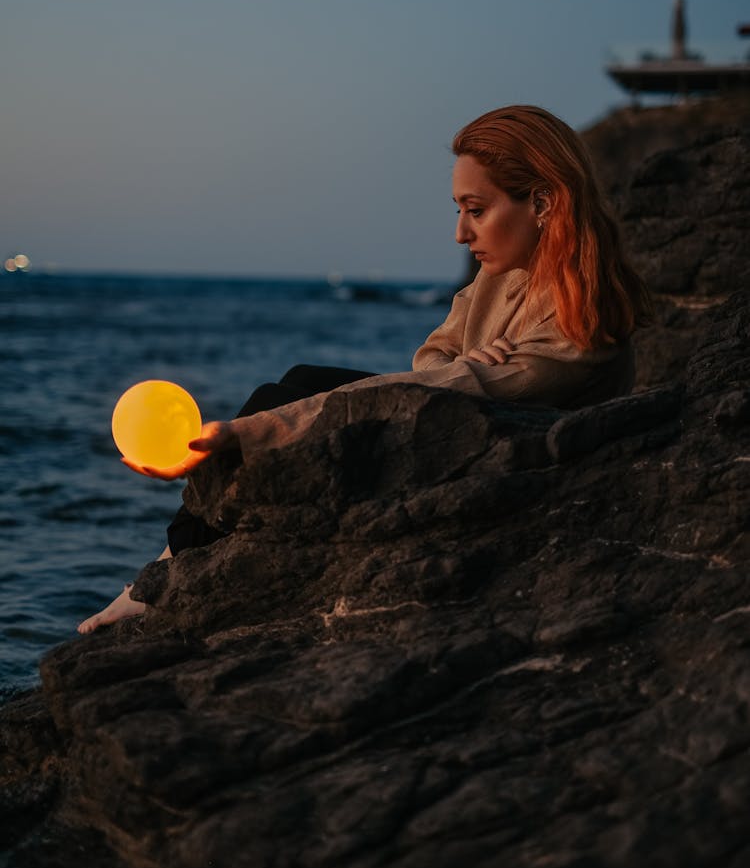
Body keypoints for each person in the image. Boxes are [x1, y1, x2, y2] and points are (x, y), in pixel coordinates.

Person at [78, 105, 651, 634]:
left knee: (284, 413)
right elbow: (432, 358)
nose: (460, 232)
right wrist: (465, 361)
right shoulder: (504, 273)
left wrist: (240, 433)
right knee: (297, 381)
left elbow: (455, 385)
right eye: (458, 210)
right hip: (461, 434)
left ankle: (159, 579)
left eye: (476, 210)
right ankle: (167, 567)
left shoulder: (583, 327)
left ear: (545, 204)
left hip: (502, 473)